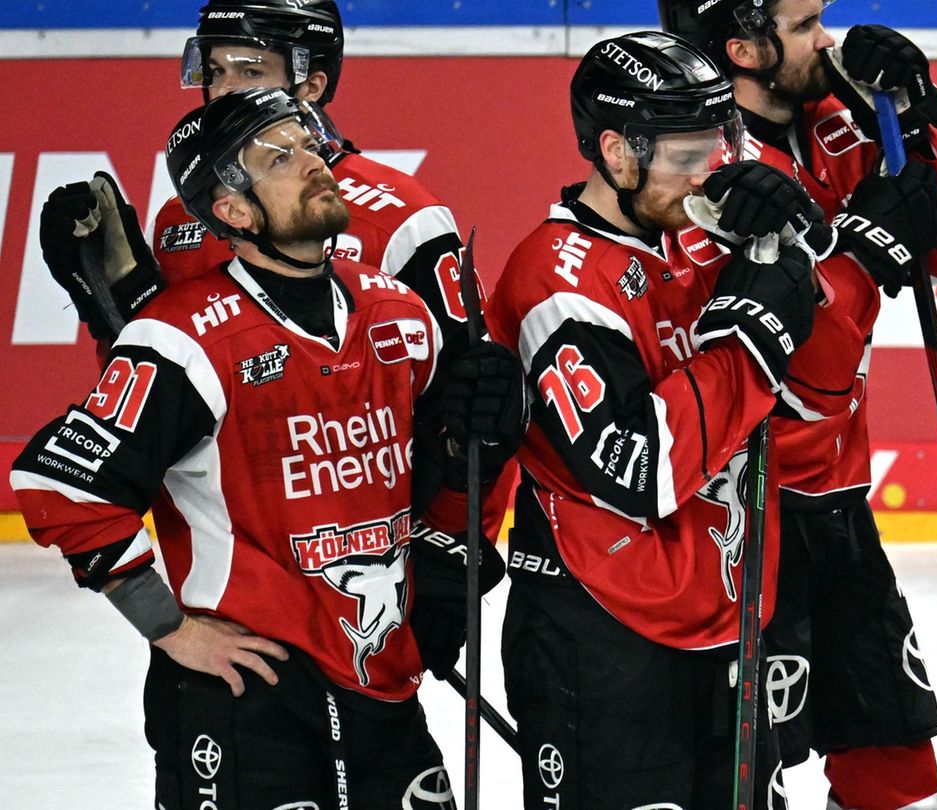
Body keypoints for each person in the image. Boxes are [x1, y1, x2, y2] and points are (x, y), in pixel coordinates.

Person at [10, 87, 524, 809]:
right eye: (277, 156)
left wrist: (490, 428)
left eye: (308, 142)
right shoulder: (182, 338)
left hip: (380, 684)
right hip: (249, 699)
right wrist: (170, 627)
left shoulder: (398, 313)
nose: (313, 161)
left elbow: (452, 460)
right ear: (233, 211)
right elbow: (63, 488)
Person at [486, 30, 878, 808]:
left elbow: (817, 398)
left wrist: (797, 253)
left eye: (720, 143)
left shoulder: (701, 241)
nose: (712, 171)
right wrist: (751, 334)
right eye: (687, 153)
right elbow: (643, 468)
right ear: (617, 152)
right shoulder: (557, 283)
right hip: (603, 635)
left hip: (727, 619)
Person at [36, 0, 517, 543]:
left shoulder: (401, 216)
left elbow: (476, 410)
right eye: (215, 71)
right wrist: (110, 310)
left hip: (371, 566)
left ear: (310, 85)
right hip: (227, 579)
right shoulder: (185, 214)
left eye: (249, 70)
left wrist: (453, 549)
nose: (222, 90)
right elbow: (159, 400)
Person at [659, 2, 937, 807]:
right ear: (742, 47)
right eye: (804, 26)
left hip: (835, 500)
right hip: (743, 513)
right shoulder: (708, 170)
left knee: (897, 764)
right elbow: (806, 377)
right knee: (747, 779)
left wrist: (904, 118)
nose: (827, 40)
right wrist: (863, 252)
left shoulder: (833, 115)